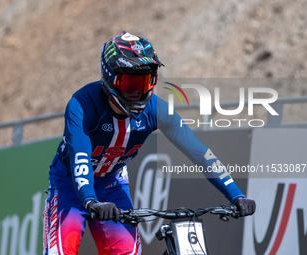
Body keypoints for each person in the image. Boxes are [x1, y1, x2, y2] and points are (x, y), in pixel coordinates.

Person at [43, 31, 256, 255]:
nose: (137, 92)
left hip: (112, 186)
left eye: (144, 82)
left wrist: (236, 195)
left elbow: (200, 153)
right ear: (109, 78)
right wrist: (89, 201)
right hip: (69, 186)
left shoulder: (158, 109)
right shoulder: (82, 103)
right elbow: (80, 158)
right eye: (129, 82)